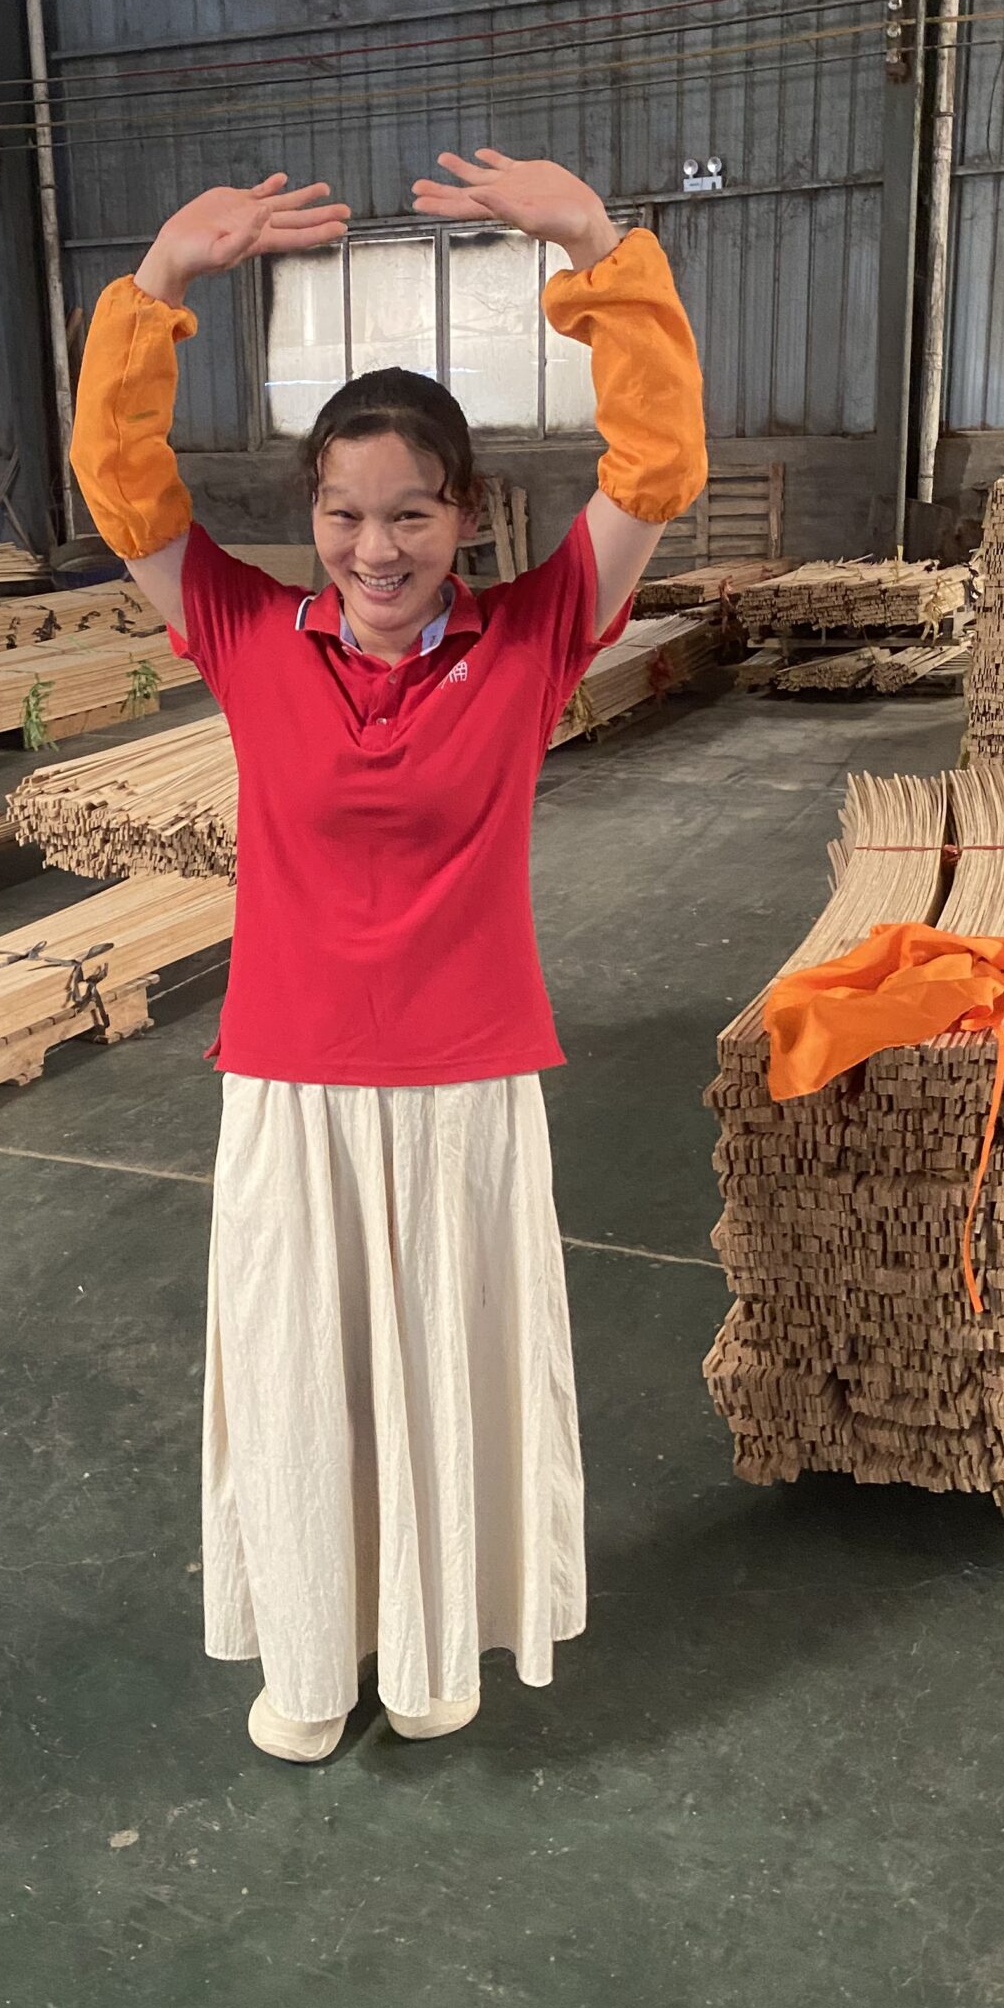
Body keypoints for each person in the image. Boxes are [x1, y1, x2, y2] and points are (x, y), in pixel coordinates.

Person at [69, 150, 707, 1762]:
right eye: (344, 515)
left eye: (410, 513)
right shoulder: (239, 631)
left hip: (468, 1083)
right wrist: (159, 284)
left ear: (464, 516)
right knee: (299, 1373)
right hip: (288, 1083)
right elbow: (121, 484)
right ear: (313, 521)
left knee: (449, 1368)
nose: (374, 548)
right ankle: (309, 1653)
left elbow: (658, 463)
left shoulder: (538, 633)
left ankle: (431, 1645)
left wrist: (597, 245)